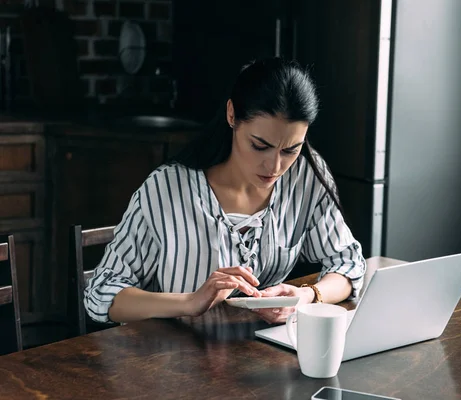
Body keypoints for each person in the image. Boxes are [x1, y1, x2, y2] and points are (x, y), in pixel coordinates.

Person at [84, 57, 366, 325]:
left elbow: (348, 264)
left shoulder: (305, 175)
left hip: (256, 359)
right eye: (260, 145)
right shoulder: (167, 189)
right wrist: (190, 302)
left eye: (290, 150)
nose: (275, 166)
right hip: (169, 362)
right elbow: (101, 293)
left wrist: (305, 296)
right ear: (232, 115)